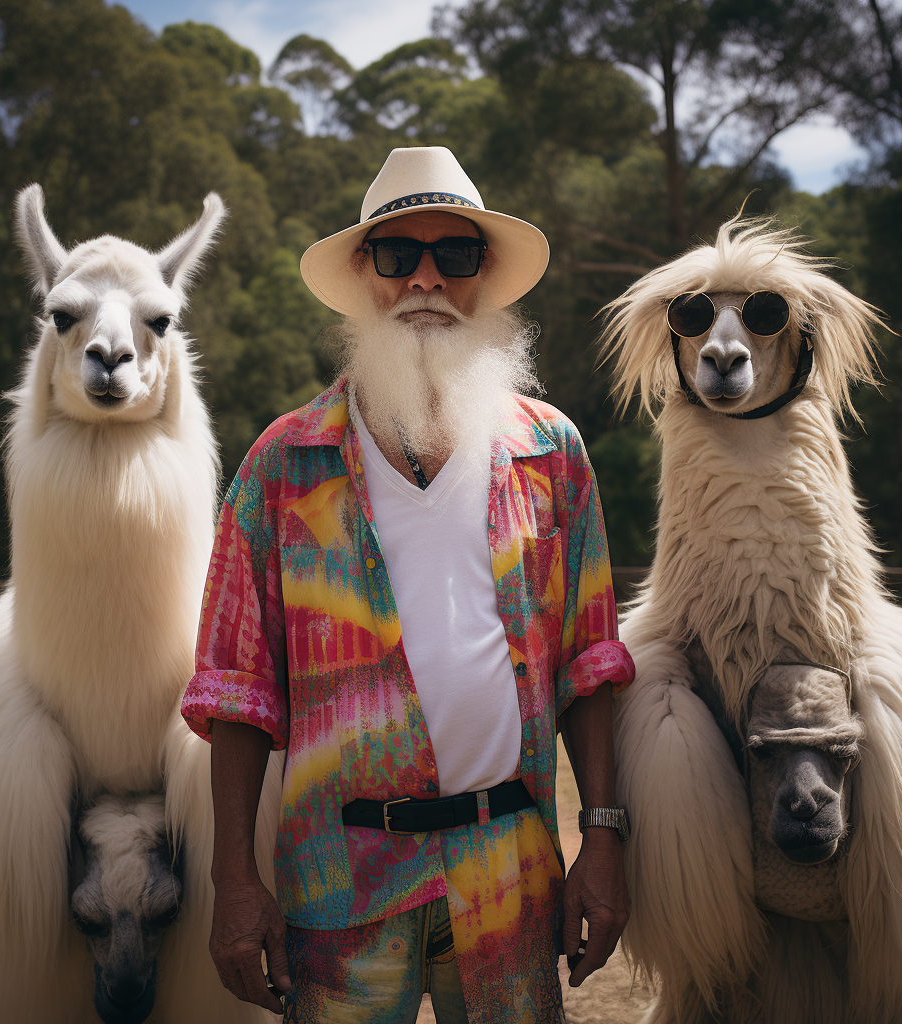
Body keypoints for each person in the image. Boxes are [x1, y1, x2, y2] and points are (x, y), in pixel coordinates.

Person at [181, 146, 635, 1024]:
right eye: (399, 254)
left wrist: (604, 837)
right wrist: (235, 879)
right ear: (366, 274)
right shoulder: (282, 466)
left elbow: (589, 662)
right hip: (338, 882)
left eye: (454, 254)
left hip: (508, 873)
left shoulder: (553, 454)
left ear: (482, 277)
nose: (426, 276)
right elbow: (236, 690)